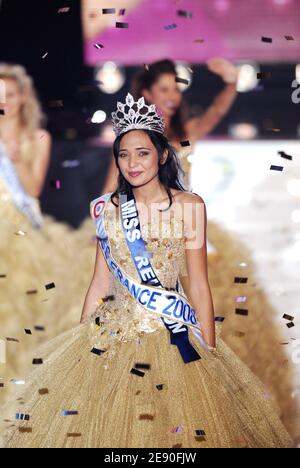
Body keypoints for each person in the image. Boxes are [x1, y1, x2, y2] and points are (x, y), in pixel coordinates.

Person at [2, 94, 293, 448]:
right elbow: (99, 282)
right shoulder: (109, 209)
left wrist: (210, 350)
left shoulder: (189, 206)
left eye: (142, 153)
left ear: (162, 155)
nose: (132, 163)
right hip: (112, 337)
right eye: (123, 155)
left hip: (172, 337)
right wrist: (80, 346)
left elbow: (198, 284)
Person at [100, 60, 297, 434]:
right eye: (164, 91)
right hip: (139, 240)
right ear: (147, 94)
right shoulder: (130, 153)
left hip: (183, 238)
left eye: (176, 90)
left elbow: (220, 110)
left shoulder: (186, 134)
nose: (173, 97)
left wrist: (229, 82)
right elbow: (111, 193)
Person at [0, 64, 77, 401]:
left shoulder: (39, 138)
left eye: (11, 94)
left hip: (20, 232)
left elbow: (32, 189)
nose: (5, 100)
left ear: (22, 98)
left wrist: (15, 159)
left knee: (21, 309)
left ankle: (19, 386)